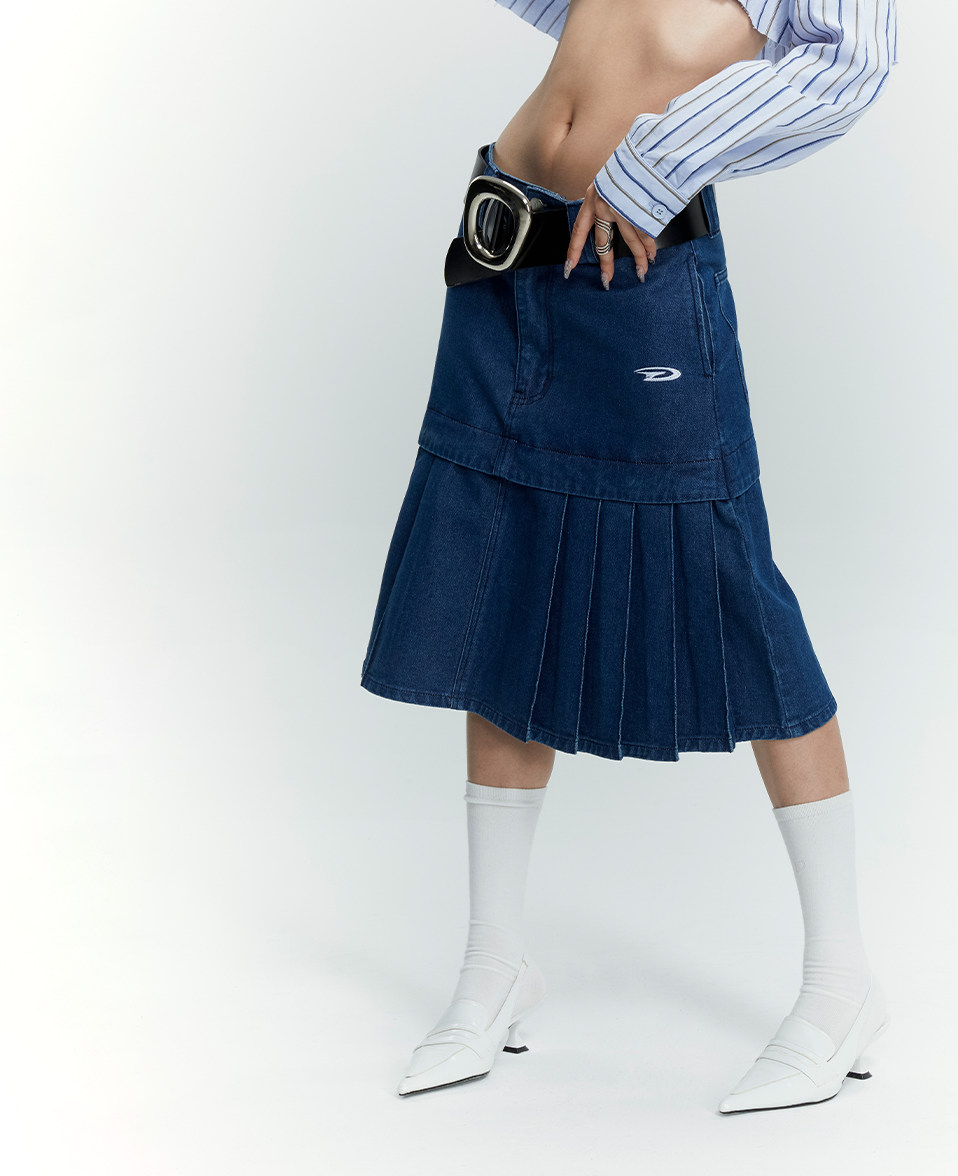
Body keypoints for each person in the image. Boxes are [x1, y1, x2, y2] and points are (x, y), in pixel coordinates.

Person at [361, 0, 899, 1113]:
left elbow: (851, 60)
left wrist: (660, 160)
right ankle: (494, 967)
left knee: (734, 584)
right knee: (507, 567)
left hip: (638, 261)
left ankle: (842, 982)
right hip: (507, 242)